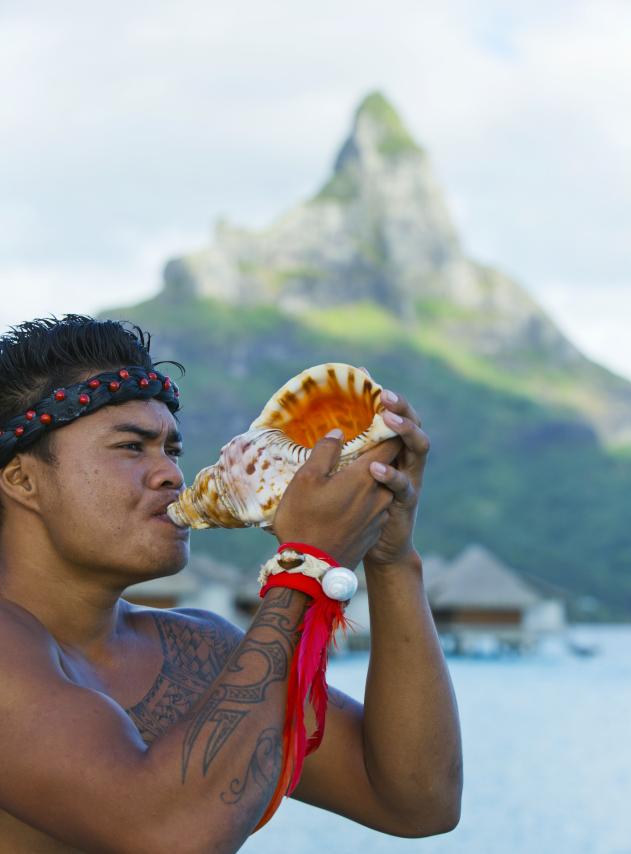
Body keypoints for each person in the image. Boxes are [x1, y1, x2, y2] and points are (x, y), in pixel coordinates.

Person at [0, 315, 462, 853]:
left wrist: (391, 558)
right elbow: (166, 837)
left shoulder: (198, 650)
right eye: (131, 447)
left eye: (171, 450)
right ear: (22, 480)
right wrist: (305, 566)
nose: (171, 474)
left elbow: (418, 801)